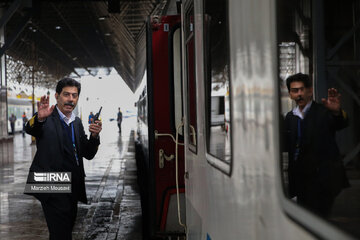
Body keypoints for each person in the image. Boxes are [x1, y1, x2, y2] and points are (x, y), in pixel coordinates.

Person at [24, 78, 102, 240]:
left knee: (64, 230)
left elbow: (88, 153)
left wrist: (94, 135)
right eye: (66, 95)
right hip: (51, 183)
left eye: (74, 95)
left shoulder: (76, 123)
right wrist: (39, 118)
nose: (70, 99)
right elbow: (30, 128)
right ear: (57, 96)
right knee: (61, 234)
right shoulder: (46, 118)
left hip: (72, 184)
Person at [284, 73, 349, 217]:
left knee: (320, 218)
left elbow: (341, 123)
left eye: (302, 89)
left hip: (323, 180)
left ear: (310, 91)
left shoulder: (323, 111)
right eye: (295, 91)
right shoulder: (290, 117)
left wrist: (337, 112)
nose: (299, 94)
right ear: (290, 94)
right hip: (299, 180)